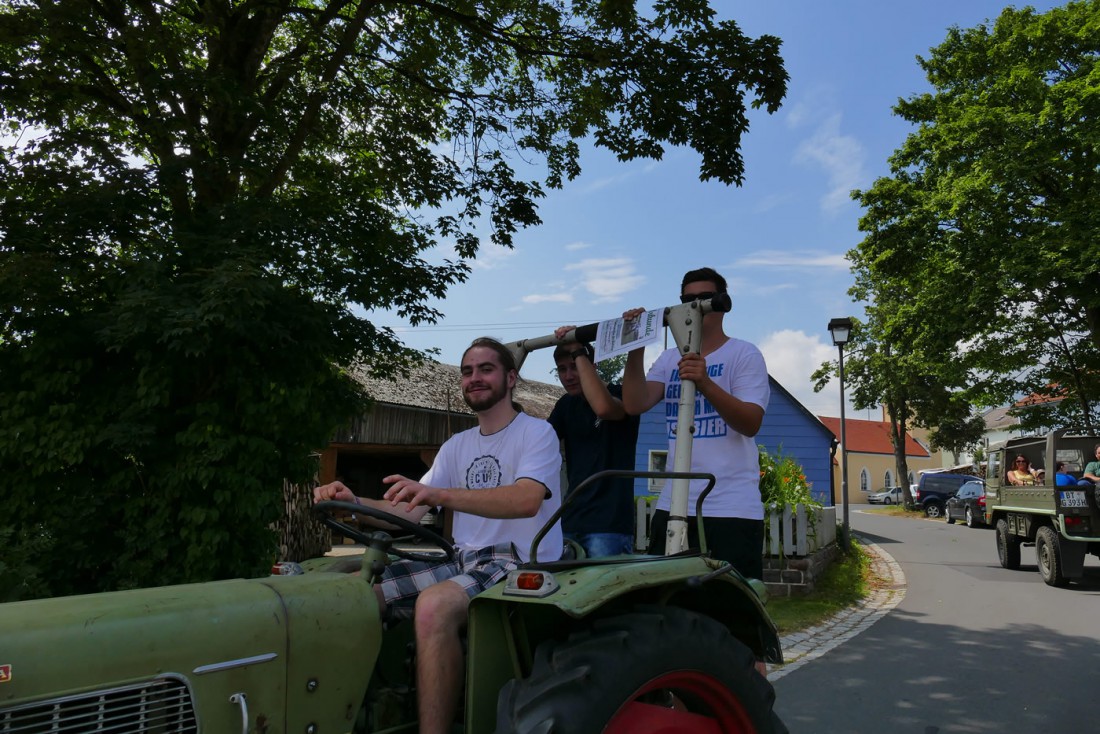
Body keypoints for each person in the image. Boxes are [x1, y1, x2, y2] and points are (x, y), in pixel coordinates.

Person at [313, 337, 562, 734]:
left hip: (517, 561)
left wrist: (440, 493)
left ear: (511, 377)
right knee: (352, 595)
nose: (474, 378)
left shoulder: (537, 433)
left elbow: (527, 499)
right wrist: (354, 500)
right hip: (460, 558)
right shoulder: (455, 446)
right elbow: (407, 510)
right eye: (467, 371)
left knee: (433, 606)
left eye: (486, 369)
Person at [620, 267, 770, 580]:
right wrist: (635, 349)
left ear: (722, 303)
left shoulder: (743, 354)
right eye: (687, 299)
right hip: (673, 503)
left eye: (704, 297)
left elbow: (751, 422)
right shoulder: (668, 358)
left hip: (730, 508)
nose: (695, 305)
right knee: (663, 601)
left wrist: (705, 382)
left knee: (729, 606)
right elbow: (635, 403)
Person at [547, 333, 640, 557]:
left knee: (606, 590)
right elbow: (539, 442)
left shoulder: (620, 395)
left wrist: (578, 348)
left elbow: (604, 409)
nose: (568, 376)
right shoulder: (565, 406)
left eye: (574, 366)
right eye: (561, 369)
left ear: (591, 365)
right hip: (571, 519)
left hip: (609, 524)